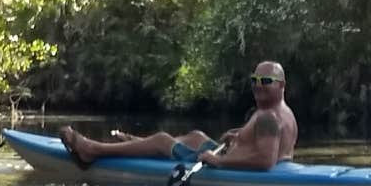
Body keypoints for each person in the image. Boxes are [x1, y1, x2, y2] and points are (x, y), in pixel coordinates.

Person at [59, 60, 298, 172]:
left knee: (163, 140)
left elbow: (265, 162)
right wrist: (239, 135)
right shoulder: (282, 113)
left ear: (282, 85)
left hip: (222, 166)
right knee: (195, 136)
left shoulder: (268, 117)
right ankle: (140, 144)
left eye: (266, 81)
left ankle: (92, 150)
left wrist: (219, 161)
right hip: (235, 157)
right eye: (254, 80)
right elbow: (270, 145)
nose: (258, 85)